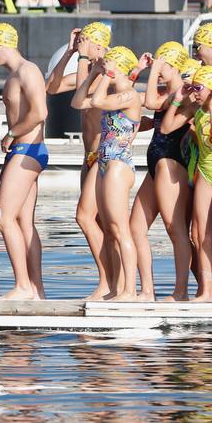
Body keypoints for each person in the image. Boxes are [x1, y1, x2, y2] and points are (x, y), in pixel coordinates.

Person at [46, 22, 114, 298]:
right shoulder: (88, 69)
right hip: (89, 156)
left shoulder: (109, 71)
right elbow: (51, 87)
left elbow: (81, 97)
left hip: (106, 154)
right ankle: (111, 282)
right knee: (96, 223)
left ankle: (110, 283)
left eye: (86, 42)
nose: (81, 47)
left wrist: (84, 57)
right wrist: (69, 52)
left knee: (86, 218)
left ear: (99, 46)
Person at [164, 65, 212, 302]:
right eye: (192, 87)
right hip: (205, 172)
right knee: (200, 234)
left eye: (198, 88)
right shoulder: (196, 110)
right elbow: (166, 128)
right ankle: (207, 290)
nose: (194, 92)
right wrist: (178, 100)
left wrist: (210, 110)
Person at [72, 46, 143, 301]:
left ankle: (129, 290)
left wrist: (105, 76)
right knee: (111, 229)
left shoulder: (129, 95)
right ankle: (115, 287)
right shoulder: (115, 92)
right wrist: (93, 76)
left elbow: (99, 101)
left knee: (121, 229)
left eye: (109, 64)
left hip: (118, 165)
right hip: (104, 162)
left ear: (118, 67)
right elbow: (78, 102)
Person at [131, 42, 198, 301]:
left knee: (174, 227)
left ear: (177, 66)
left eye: (165, 66)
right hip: (155, 162)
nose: (159, 70)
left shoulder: (186, 93)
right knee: (135, 227)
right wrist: (139, 70)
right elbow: (142, 102)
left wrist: (154, 67)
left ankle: (180, 292)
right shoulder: (165, 91)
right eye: (159, 65)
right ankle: (147, 290)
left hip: (172, 162)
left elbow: (150, 102)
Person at [0, 22, 48, 299]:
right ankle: (36, 289)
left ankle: (23, 285)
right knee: (24, 222)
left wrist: (11, 134)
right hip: (24, 151)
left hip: (27, 150)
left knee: (3, 216)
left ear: (4, 43)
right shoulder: (14, 74)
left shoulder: (28, 71)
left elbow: (39, 112)